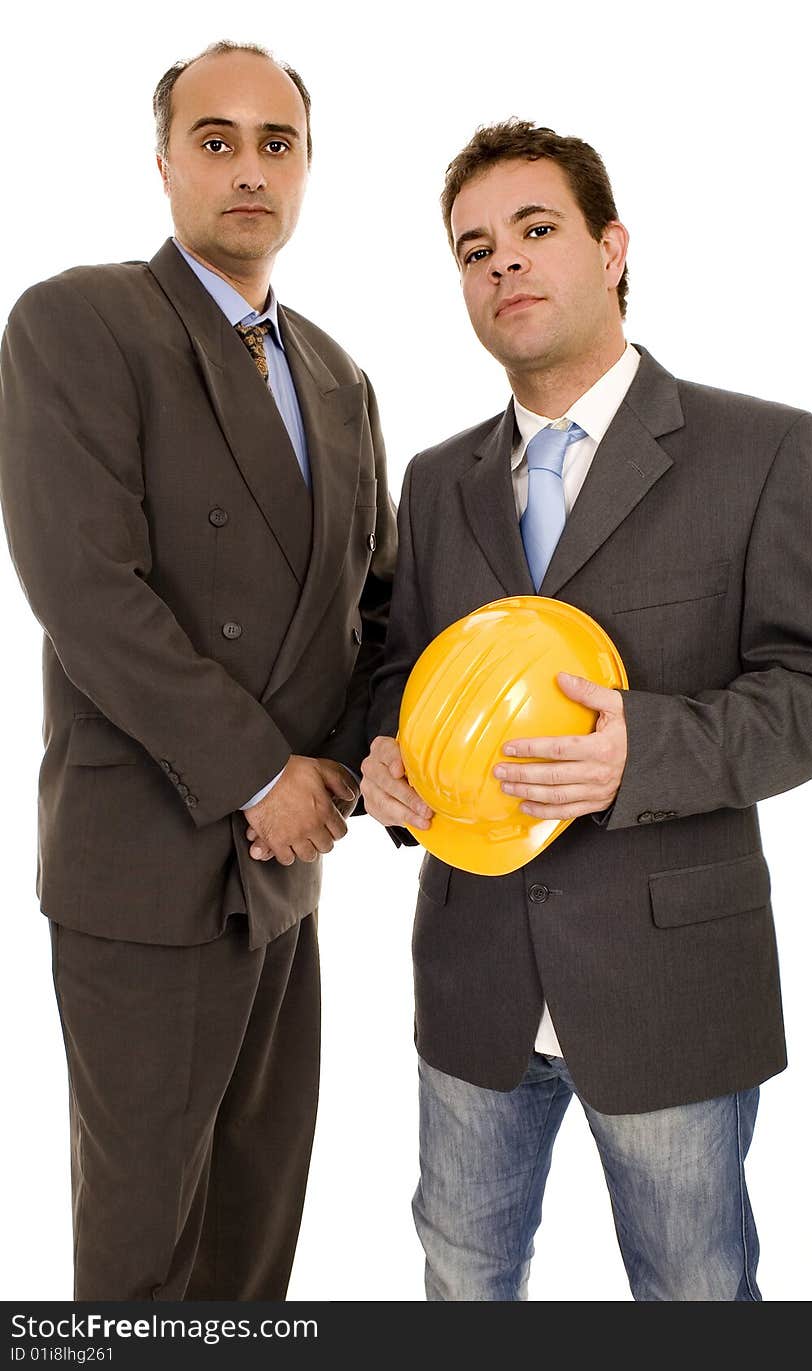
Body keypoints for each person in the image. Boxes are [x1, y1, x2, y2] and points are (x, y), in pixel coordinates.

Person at [362, 120, 812, 1301]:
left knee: (693, 1293)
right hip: (473, 977)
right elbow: (401, 668)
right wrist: (385, 754)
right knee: (461, 1272)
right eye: (474, 247)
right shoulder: (437, 481)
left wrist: (643, 752)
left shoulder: (762, 449)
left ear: (611, 247)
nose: (505, 265)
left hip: (668, 982)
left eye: (535, 230)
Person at [0, 41, 395, 1301]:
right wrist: (254, 774)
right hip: (148, 864)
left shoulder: (339, 375)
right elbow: (86, 591)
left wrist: (345, 762)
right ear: (164, 161)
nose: (247, 170)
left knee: (253, 1239)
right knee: (138, 1258)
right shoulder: (79, 319)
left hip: (291, 874)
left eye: (276, 144)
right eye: (215, 141)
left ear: (305, 171)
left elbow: (371, 610)